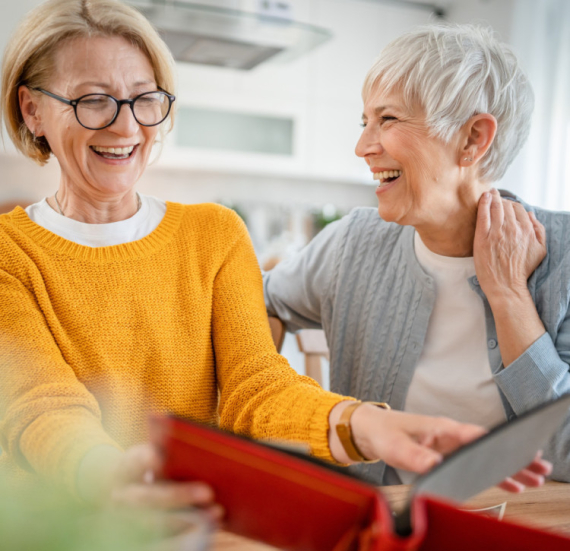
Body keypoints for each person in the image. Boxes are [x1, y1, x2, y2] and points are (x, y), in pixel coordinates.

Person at [3, 1, 546, 523]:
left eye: (144, 99)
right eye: (92, 100)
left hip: (194, 523)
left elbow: (255, 386)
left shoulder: (213, 234)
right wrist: (112, 476)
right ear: (33, 109)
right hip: (62, 534)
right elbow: (42, 407)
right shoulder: (11, 252)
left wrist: (365, 424)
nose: (125, 128)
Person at [264, 23, 570, 486]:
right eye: (364, 121)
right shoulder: (352, 243)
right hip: (381, 535)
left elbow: (564, 453)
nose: (363, 147)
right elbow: (257, 301)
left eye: (387, 120)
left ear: (472, 139)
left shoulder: (564, 257)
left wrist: (509, 296)